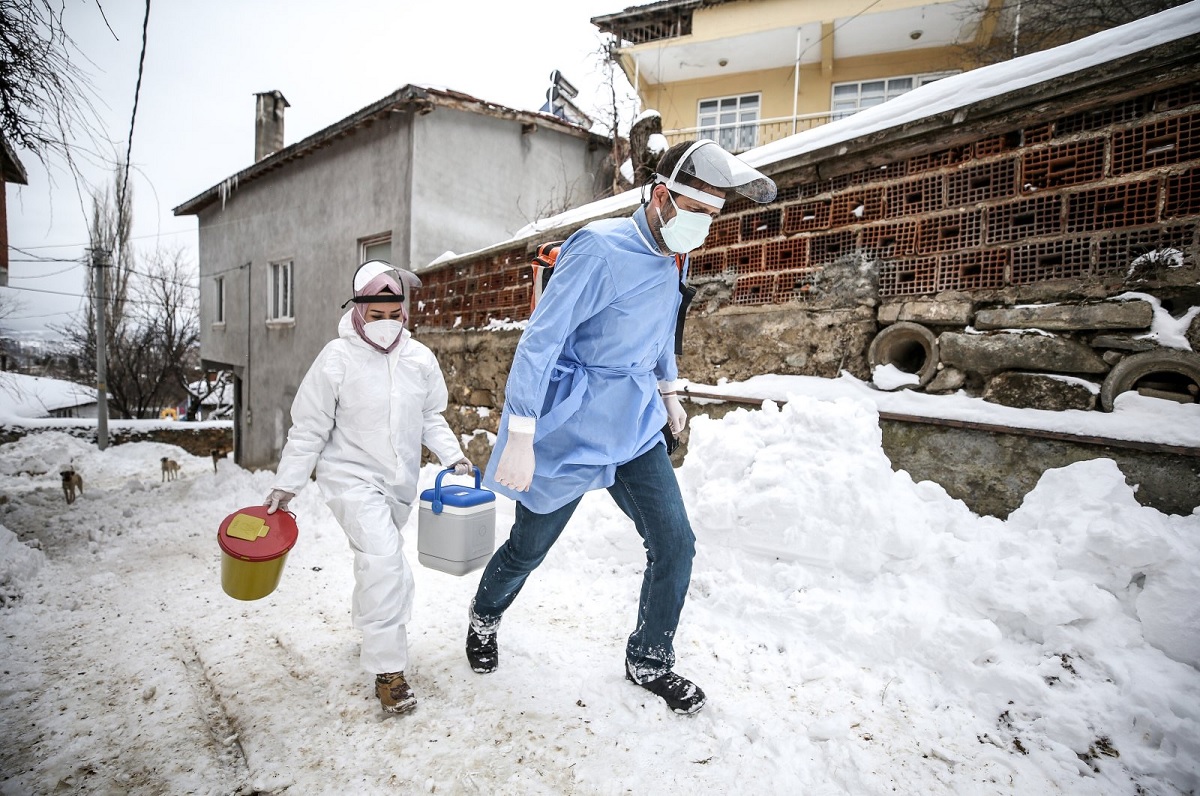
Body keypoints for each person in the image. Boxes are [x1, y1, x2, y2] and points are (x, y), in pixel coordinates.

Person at [465, 140, 777, 714]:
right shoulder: (598, 249)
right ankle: (485, 616)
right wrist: (524, 431)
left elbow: (660, 331)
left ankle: (650, 658)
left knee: (675, 542)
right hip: (571, 424)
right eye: (699, 213)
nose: (705, 227)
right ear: (662, 197)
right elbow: (542, 340)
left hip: (633, 422)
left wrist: (668, 388)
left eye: (714, 216)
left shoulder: (674, 255)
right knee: (528, 548)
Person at [263, 260, 472, 716]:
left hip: (398, 485)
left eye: (394, 314)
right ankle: (388, 671)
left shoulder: (420, 359)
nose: (386, 324)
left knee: (380, 562)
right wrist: (287, 484)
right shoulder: (336, 358)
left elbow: (430, 417)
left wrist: (452, 455)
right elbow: (309, 428)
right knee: (385, 564)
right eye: (376, 315)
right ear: (358, 310)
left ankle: (372, 626)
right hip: (350, 479)